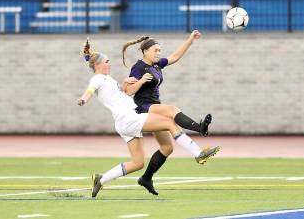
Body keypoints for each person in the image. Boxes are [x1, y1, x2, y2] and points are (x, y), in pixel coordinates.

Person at [78, 40, 220, 198]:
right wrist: (84, 99)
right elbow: (90, 90)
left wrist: (125, 83)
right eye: (107, 61)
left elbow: (123, 93)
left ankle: (100, 179)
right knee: (168, 122)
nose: (109, 64)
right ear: (98, 64)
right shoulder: (97, 78)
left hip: (124, 121)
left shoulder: (108, 79)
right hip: (128, 118)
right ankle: (198, 153)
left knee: (138, 163)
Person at [122, 30, 215, 195]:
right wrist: (141, 80)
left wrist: (190, 40)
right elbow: (128, 91)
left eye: (159, 50)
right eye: (155, 50)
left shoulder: (157, 65)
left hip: (154, 106)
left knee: (167, 147)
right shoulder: (138, 67)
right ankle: (200, 130)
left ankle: (146, 178)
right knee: (172, 110)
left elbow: (175, 57)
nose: (158, 53)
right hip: (142, 107)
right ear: (145, 51)